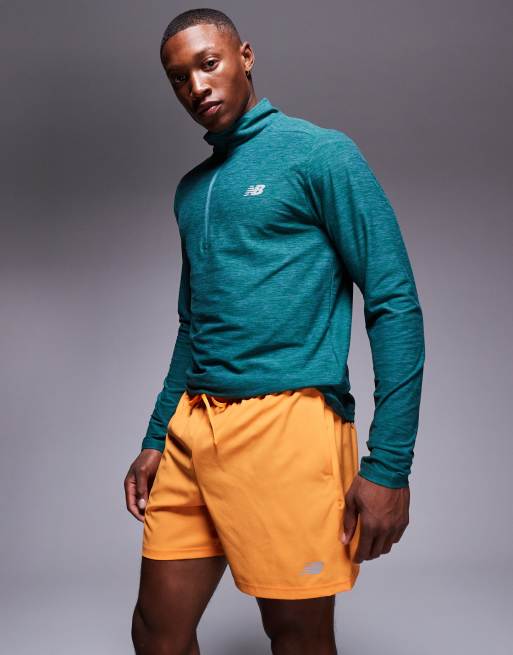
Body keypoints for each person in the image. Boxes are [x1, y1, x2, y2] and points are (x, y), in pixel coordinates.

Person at [124, 8, 425, 655]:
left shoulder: (320, 154)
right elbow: (194, 323)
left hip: (286, 425)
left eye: (209, 63)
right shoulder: (192, 190)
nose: (197, 86)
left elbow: (393, 301)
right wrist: (155, 436)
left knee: (296, 637)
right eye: (179, 78)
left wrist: (389, 464)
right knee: (156, 631)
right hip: (193, 426)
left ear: (246, 56)